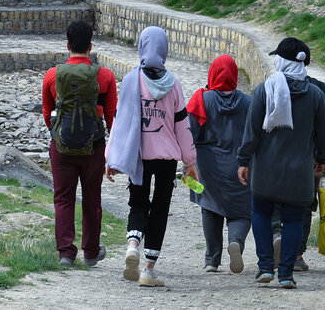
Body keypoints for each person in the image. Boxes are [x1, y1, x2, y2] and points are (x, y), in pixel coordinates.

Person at [106, 26, 198, 287]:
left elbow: (120, 122)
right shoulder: (175, 85)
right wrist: (190, 162)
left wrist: (110, 157)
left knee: (137, 202)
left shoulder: (131, 80)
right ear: (164, 49)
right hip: (167, 160)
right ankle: (148, 269)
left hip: (140, 157)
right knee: (160, 209)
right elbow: (183, 125)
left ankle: (133, 244)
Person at [236, 37, 325, 290]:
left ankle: (266, 267)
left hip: (265, 171)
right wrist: (323, 159)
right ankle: (287, 273)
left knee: (260, 213)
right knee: (293, 220)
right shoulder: (316, 95)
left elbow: (252, 131)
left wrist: (243, 160)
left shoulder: (264, 90)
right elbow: (324, 133)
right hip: (299, 173)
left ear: (282, 61)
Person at [42, 20, 117, 267]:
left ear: (67, 45)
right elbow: (111, 116)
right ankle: (91, 252)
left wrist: (59, 133)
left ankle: (65, 253)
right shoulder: (105, 76)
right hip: (93, 147)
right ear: (91, 46)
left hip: (61, 147)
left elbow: (47, 112)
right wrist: (111, 150)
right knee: (92, 197)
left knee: (63, 198)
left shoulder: (53, 75)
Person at [270, 40, 325, 272]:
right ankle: (297, 255)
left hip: (277, 157)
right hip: (310, 159)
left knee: (276, 202)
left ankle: (276, 239)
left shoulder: (271, 87)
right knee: (304, 205)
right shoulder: (321, 90)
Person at [186, 54, 252, 274]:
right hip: (240, 167)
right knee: (242, 211)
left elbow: (189, 134)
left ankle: (212, 260)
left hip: (208, 168)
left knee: (210, 207)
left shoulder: (201, 100)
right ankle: (236, 243)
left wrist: (187, 163)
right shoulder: (248, 102)